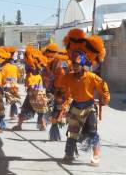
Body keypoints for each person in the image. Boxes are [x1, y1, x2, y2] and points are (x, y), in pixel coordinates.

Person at [57, 29, 110, 166]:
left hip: (89, 107)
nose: (74, 67)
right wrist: (59, 94)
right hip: (75, 107)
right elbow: (59, 85)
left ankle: (96, 155)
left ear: (82, 65)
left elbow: (103, 86)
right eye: (73, 65)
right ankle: (68, 155)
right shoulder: (68, 77)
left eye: (77, 65)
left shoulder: (92, 77)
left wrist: (105, 98)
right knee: (72, 133)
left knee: (92, 132)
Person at [12, 46, 49, 131]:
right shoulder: (39, 75)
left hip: (32, 96)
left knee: (25, 110)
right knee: (41, 111)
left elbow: (32, 87)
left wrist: (33, 92)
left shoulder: (30, 76)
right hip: (40, 96)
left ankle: (19, 125)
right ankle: (42, 125)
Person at [1, 46, 22, 120]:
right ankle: (12, 115)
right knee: (14, 100)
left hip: (7, 86)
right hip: (15, 86)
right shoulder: (15, 67)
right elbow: (19, 76)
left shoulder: (3, 68)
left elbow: (2, 78)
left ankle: (3, 115)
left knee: (8, 100)